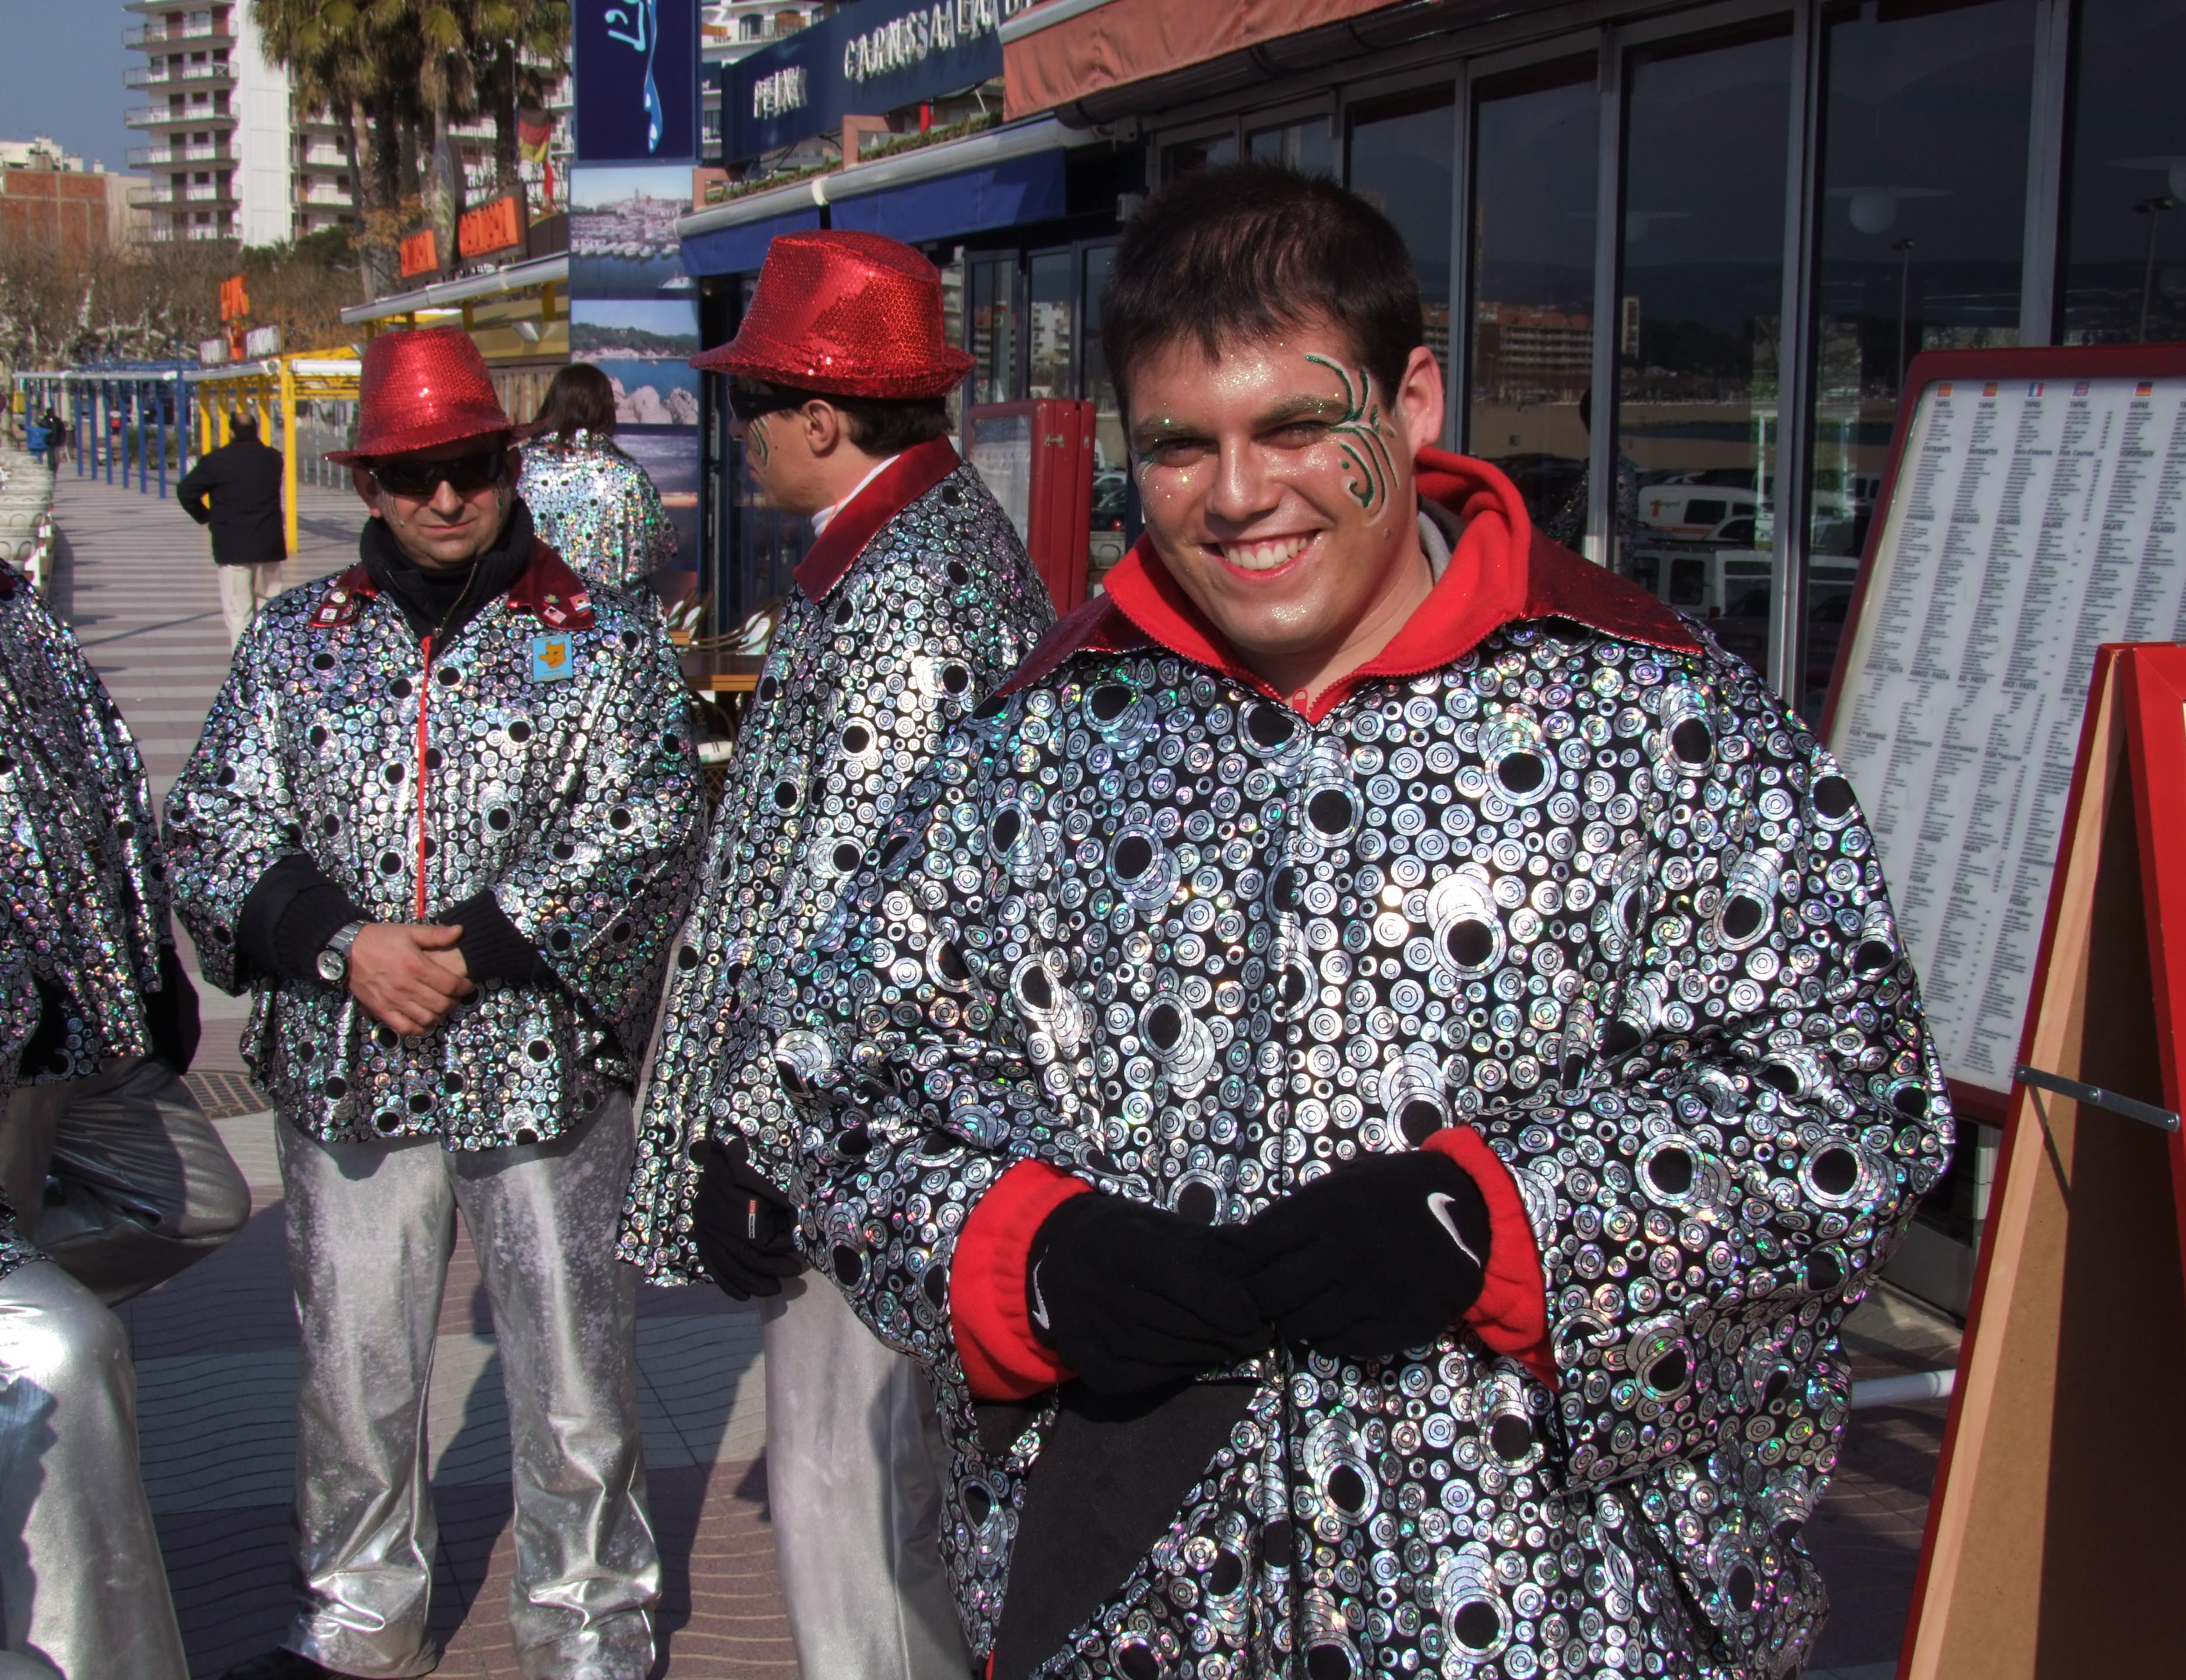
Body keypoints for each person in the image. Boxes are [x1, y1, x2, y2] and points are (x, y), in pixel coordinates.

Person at [772, 164, 1954, 1679]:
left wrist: (1508, 1224)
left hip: (1555, 1611)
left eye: (1295, 427)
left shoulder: (1663, 724)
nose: (1240, 494)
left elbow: (1848, 1102)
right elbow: (846, 1094)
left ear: (1413, 403)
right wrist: (1028, 1253)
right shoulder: (1029, 748)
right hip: (1143, 1610)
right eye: (1180, 446)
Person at [163, 327, 708, 1680]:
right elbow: (212, 823)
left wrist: (473, 947)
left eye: (470, 465)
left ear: (509, 462)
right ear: (368, 482)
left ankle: (587, 1622)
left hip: (540, 1060)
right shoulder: (294, 640)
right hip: (346, 1058)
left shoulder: (605, 638)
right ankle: (361, 1614)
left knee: (575, 1367)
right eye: (414, 474)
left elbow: (651, 822)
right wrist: (341, 943)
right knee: (353, 1364)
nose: (447, 496)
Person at [615, 230, 1055, 1680]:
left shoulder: (907, 589)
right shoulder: (910, 554)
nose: (738, 434)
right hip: (871, 1132)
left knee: (845, 1485)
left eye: (750, 402)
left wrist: (760, 1140)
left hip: (864, 1141)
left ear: (820, 415)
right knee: (875, 1486)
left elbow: (866, 915)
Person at [0, 380, 197, 1679]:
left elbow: (110, 787)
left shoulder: (13, 617)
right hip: (3, 1052)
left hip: (62, 1056)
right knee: (46, 1362)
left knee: (191, 1201)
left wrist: (148, 969)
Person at [516, 364, 677, 590]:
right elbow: (661, 546)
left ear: (552, 405)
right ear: (606, 409)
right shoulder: (628, 475)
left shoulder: (520, 468)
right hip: (614, 609)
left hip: (537, 606)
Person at [177, 411, 289, 646]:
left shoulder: (217, 461)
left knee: (239, 612)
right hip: (268, 544)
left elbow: (186, 491)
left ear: (231, 432)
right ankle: (269, 655)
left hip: (232, 546)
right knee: (270, 605)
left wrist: (206, 517)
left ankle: (244, 662)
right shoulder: (273, 459)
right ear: (256, 430)